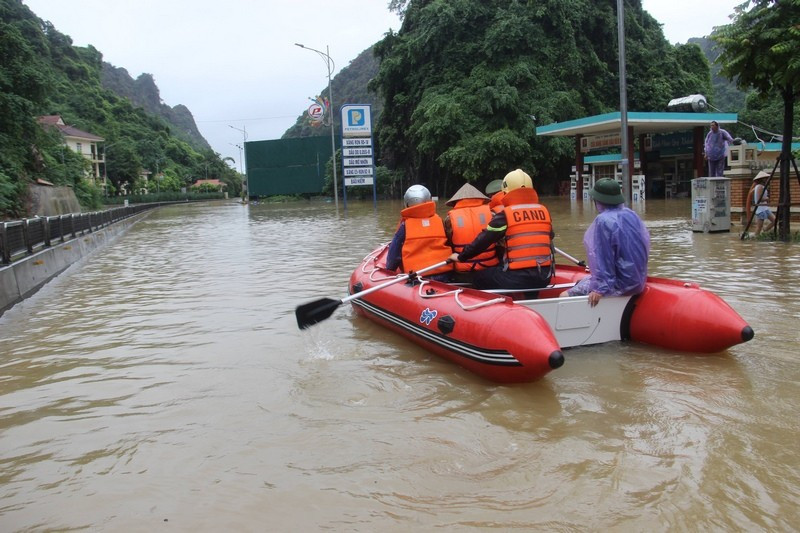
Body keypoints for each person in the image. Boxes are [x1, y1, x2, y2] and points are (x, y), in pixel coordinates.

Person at [448, 169, 554, 296]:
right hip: (544, 277)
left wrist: (461, 256)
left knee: (479, 278)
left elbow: (484, 240)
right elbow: (550, 236)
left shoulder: (506, 215)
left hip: (518, 278)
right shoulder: (544, 211)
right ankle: (532, 299)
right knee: (527, 276)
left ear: (505, 192)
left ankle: (494, 310)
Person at [560, 178, 650, 307]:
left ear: (598, 200)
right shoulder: (631, 215)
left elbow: (604, 257)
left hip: (619, 284)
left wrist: (600, 289)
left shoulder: (603, 221)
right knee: (581, 281)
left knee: (563, 296)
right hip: (637, 282)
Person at [386, 184, 453, 281]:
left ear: (407, 203)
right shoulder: (439, 221)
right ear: (429, 200)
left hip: (418, 276)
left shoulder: (405, 226)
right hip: (445, 274)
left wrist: (389, 270)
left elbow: (394, 256)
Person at [444, 183, 498, 278]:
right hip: (490, 265)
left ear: (456, 201)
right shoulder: (491, 214)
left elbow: (448, 242)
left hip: (463, 267)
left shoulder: (449, 219)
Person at [752, 171, 776, 236]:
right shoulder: (759, 187)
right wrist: (767, 199)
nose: (767, 179)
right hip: (760, 209)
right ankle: (756, 237)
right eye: (766, 178)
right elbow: (759, 199)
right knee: (759, 226)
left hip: (765, 208)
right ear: (762, 179)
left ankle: (764, 231)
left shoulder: (762, 187)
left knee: (775, 221)